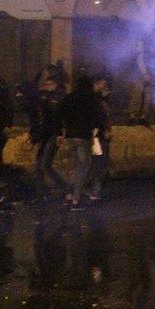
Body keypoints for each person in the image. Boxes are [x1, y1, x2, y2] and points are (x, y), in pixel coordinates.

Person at [61, 76, 107, 209]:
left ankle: (69, 194)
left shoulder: (69, 97)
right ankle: (75, 198)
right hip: (83, 135)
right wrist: (98, 130)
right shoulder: (90, 98)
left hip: (70, 135)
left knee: (78, 166)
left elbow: (61, 113)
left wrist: (63, 130)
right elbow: (97, 115)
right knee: (84, 166)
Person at [30, 78, 67, 195]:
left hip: (53, 134)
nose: (47, 86)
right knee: (38, 162)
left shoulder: (57, 98)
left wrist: (59, 134)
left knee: (45, 163)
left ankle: (62, 185)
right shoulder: (44, 98)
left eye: (49, 84)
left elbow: (57, 118)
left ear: (55, 84)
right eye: (45, 84)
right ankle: (40, 188)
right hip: (44, 134)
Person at [88, 75, 113, 201]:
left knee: (100, 163)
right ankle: (94, 191)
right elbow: (98, 119)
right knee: (99, 163)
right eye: (102, 84)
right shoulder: (95, 101)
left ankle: (94, 189)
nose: (105, 87)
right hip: (98, 136)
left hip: (101, 136)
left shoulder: (102, 101)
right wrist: (104, 131)